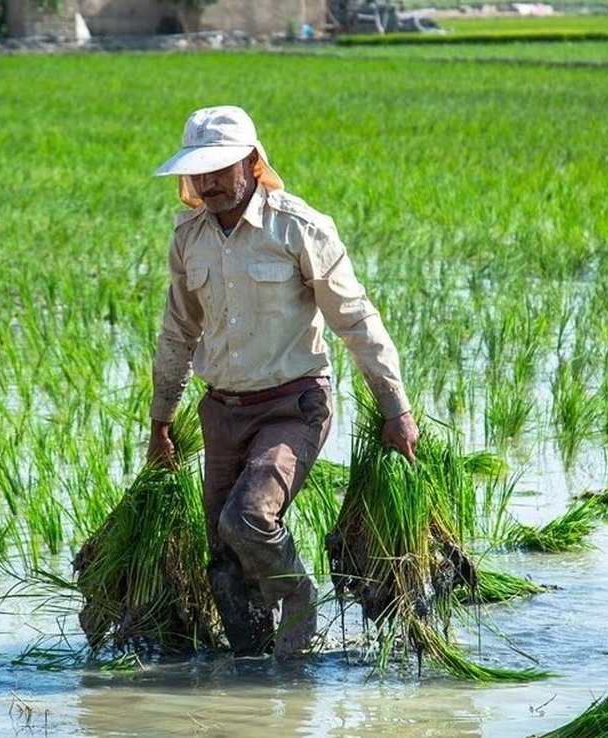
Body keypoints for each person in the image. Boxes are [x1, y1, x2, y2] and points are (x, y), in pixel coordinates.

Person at [146, 105, 419, 658]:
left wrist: (396, 409)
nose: (210, 182)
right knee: (224, 557)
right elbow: (178, 331)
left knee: (247, 518)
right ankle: (258, 675)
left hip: (293, 406)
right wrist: (161, 422)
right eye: (200, 171)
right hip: (222, 410)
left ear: (252, 162)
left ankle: (299, 594)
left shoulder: (299, 227)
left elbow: (356, 320)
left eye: (221, 169)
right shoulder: (189, 237)